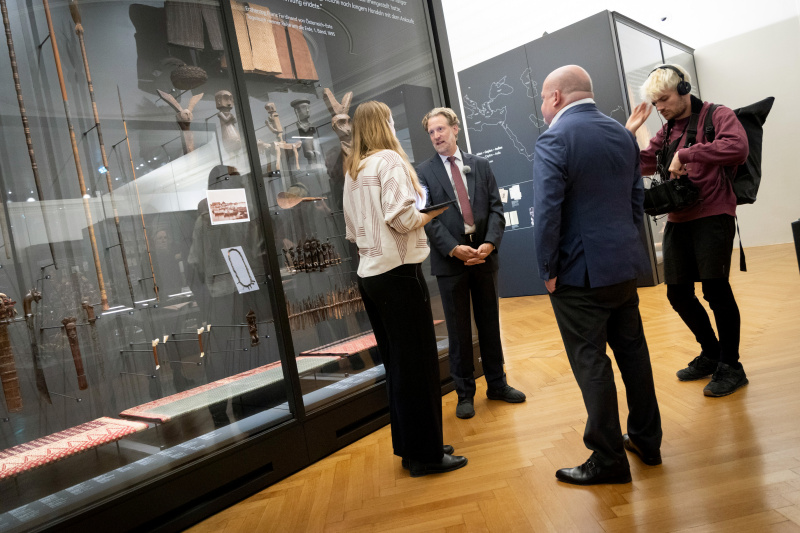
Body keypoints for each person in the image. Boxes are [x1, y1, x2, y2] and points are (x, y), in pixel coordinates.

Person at [533, 65, 662, 485]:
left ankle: (608, 460)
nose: (542, 105)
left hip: (578, 273)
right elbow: (635, 200)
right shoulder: (622, 135)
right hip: (622, 266)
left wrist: (547, 270)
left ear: (556, 96)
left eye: (542, 97)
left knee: (591, 362)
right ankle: (647, 440)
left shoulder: (555, 138)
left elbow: (547, 213)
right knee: (634, 355)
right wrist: (626, 249)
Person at [342, 100, 468, 477]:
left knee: (399, 366)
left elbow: (352, 232)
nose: (395, 125)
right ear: (384, 124)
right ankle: (427, 455)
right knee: (419, 366)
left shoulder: (353, 170)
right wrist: (432, 213)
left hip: (371, 275)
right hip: (399, 273)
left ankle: (414, 448)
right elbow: (401, 219)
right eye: (392, 119)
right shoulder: (390, 160)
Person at [626, 64, 749, 397]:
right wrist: (627, 135)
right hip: (679, 218)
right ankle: (712, 353)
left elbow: (738, 148)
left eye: (664, 99)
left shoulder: (717, 115)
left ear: (684, 90)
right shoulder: (666, 131)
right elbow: (641, 163)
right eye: (655, 102)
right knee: (677, 294)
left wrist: (686, 153)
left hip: (713, 213)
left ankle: (731, 366)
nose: (659, 108)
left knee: (716, 291)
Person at [417, 107, 526, 420]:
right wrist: (454, 248)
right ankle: (464, 394)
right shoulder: (422, 172)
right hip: (451, 261)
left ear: (455, 128)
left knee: (490, 323)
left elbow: (496, 208)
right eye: (431, 132)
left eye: (440, 129)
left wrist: (489, 244)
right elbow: (427, 218)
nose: (436, 136)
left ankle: (497, 384)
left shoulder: (480, 164)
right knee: (459, 331)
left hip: (484, 256)